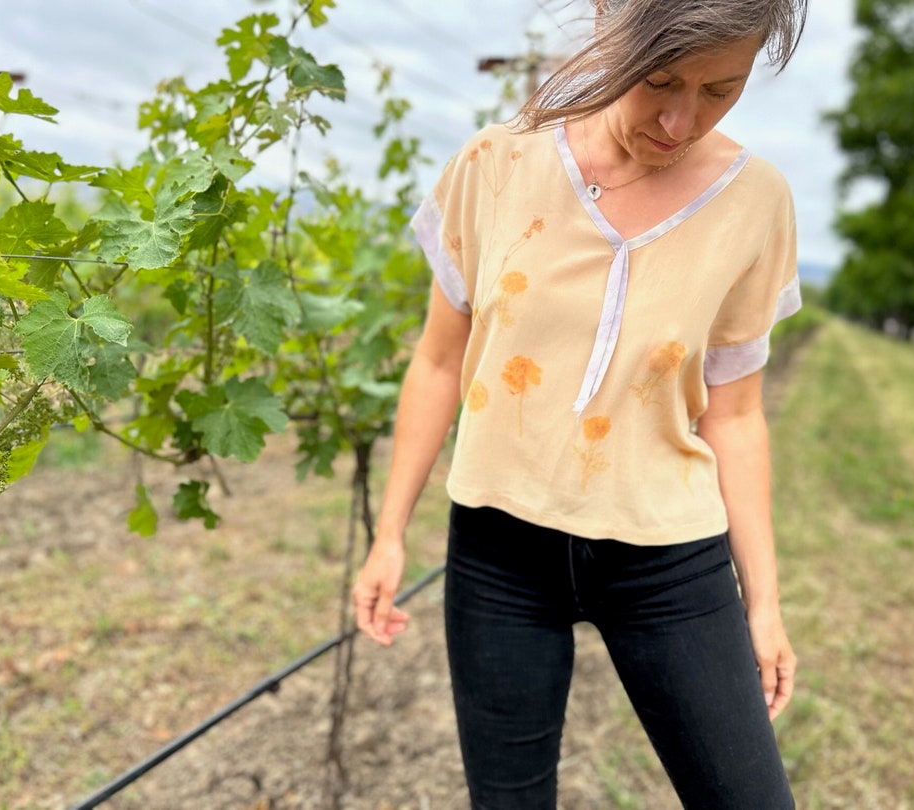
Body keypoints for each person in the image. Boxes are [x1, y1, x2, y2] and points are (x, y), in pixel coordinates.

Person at [353, 0, 808, 806]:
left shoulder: (755, 204)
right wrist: (390, 534)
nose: (679, 121)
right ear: (607, 18)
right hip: (499, 558)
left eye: (720, 91)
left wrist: (763, 605)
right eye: (658, 80)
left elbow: (734, 414)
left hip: (669, 562)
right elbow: (436, 361)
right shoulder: (496, 166)